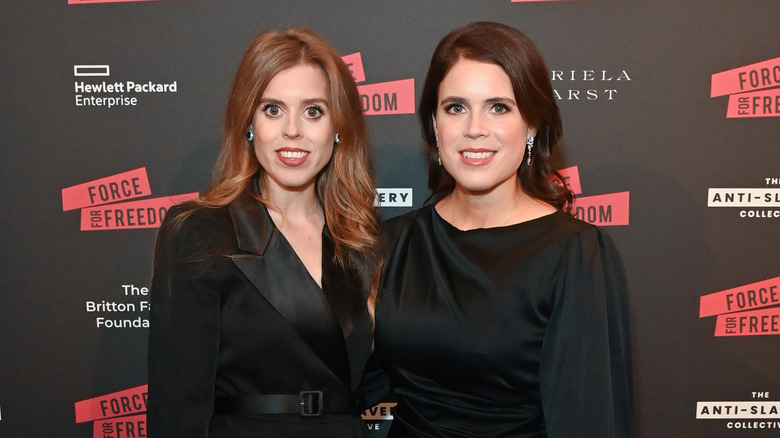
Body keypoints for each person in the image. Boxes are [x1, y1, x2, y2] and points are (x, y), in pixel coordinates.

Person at [375, 22, 633, 437]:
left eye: (499, 107)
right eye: (455, 107)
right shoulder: (394, 242)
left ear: (531, 124)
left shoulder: (574, 254)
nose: (475, 128)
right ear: (434, 125)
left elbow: (587, 418)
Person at [147, 27, 383, 437]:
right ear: (248, 121)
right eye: (273, 109)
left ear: (338, 128)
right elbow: (177, 405)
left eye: (313, 111)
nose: (292, 130)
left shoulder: (363, 243)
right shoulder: (200, 232)